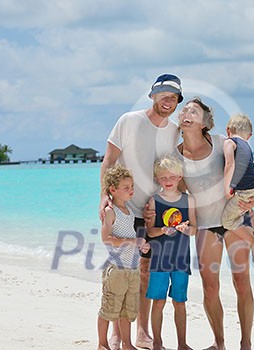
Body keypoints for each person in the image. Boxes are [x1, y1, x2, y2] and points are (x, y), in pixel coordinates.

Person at [99, 74, 184, 350]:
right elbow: (109, 160)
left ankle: (141, 331)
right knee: (120, 268)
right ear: (153, 96)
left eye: (174, 98)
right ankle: (115, 331)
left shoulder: (174, 131)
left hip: (154, 213)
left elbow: (173, 172)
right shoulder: (129, 120)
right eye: (164, 96)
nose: (168, 102)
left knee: (144, 272)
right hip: (123, 208)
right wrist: (104, 196)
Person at [174, 97, 254, 350]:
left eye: (193, 111)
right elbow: (177, 192)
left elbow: (248, 175)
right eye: (184, 110)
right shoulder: (175, 155)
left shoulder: (224, 143)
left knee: (241, 282)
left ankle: (246, 344)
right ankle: (219, 344)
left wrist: (253, 202)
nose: (186, 113)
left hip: (236, 221)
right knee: (210, 288)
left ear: (205, 122)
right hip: (204, 226)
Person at [145, 155, 196, 350]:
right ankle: (157, 343)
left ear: (180, 177)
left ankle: (182, 344)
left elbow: (195, 229)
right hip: (159, 261)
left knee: (180, 302)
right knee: (158, 302)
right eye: (163, 177)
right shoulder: (154, 201)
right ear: (158, 178)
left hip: (181, 260)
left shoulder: (188, 200)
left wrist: (186, 229)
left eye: (172, 177)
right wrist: (162, 230)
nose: (168, 181)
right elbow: (150, 231)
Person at [97, 164, 150, 350]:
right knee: (109, 309)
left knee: (127, 311)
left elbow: (131, 239)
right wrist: (131, 241)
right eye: (126, 188)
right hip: (117, 269)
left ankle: (127, 344)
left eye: (132, 187)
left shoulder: (130, 212)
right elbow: (106, 238)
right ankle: (102, 344)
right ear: (113, 190)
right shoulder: (111, 211)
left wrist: (140, 246)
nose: (131, 191)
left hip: (132, 269)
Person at [222, 113, 254, 263]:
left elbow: (229, 164)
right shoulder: (247, 146)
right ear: (249, 135)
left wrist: (227, 188)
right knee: (245, 207)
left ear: (228, 130)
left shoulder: (229, 142)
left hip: (244, 190)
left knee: (228, 221)